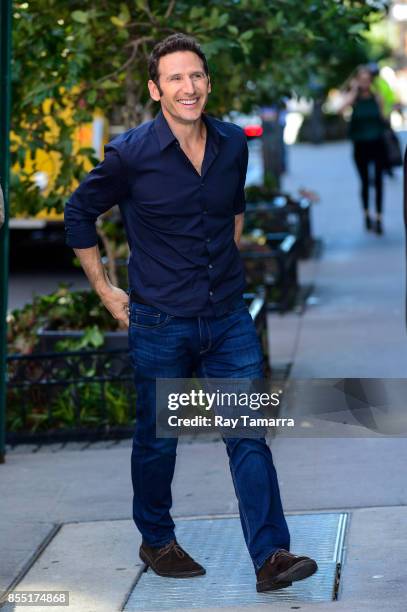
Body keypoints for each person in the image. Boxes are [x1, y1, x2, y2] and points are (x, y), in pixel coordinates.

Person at [64, 33, 317, 593]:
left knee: (247, 435)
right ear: (156, 89)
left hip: (227, 317)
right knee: (158, 440)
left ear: (208, 83)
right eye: (175, 77)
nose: (189, 86)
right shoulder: (131, 154)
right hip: (159, 322)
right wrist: (107, 291)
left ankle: (272, 555)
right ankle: (156, 539)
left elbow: (232, 215)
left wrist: (221, 272)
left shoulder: (232, 143)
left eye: (196, 75)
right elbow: (78, 212)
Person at [341, 66, 387, 235]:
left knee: (379, 181)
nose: (365, 82)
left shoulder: (377, 97)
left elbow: (383, 118)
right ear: (358, 80)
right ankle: (367, 214)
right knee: (365, 181)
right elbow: (340, 109)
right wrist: (353, 90)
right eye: (362, 79)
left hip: (378, 143)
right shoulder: (354, 99)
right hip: (360, 145)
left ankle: (379, 217)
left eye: (367, 79)